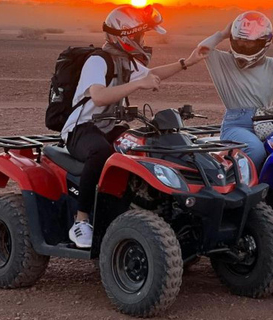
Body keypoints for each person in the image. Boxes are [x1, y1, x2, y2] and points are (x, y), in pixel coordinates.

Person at [62, 5, 207, 248]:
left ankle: (135, 209)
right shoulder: (98, 60)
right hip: (81, 128)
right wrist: (137, 86)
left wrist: (187, 62)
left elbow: (152, 74)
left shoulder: (126, 60)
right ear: (125, 36)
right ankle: (81, 220)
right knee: (101, 153)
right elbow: (98, 97)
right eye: (140, 35)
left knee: (143, 145)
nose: (143, 40)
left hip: (108, 126)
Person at [198, 11, 273, 171]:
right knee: (256, 150)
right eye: (241, 41)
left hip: (266, 122)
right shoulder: (223, 62)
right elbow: (202, 50)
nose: (245, 46)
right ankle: (247, 191)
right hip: (236, 125)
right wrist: (222, 34)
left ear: (263, 43)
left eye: (251, 43)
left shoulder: (270, 65)